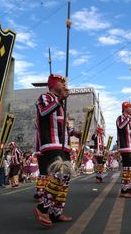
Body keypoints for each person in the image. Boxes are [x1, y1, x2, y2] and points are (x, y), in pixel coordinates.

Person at [33, 74, 80, 227]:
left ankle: (56, 213)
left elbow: (66, 128)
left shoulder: (61, 105)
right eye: (62, 83)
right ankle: (42, 208)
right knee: (59, 175)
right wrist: (59, 100)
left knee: (65, 179)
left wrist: (77, 133)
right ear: (53, 85)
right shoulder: (45, 97)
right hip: (50, 143)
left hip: (63, 145)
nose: (65, 86)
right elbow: (44, 112)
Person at [116, 102, 131, 198]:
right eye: (130, 108)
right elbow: (120, 126)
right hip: (124, 147)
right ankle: (123, 191)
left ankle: (128, 188)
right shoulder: (121, 118)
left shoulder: (130, 120)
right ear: (125, 109)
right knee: (127, 169)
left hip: (130, 147)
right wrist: (129, 117)